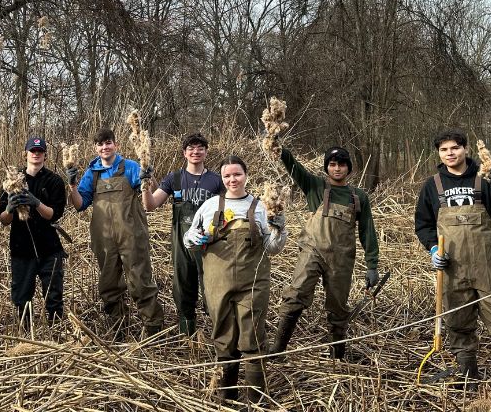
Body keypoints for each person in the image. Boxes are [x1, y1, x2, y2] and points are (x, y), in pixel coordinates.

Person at [415, 128, 491, 391]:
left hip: (490, 267)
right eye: (444, 149)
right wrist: (433, 249)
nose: (450, 153)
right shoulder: (432, 186)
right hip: (452, 270)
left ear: (465, 149)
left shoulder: (485, 179)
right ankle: (467, 376)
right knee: (458, 325)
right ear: (438, 153)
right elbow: (423, 225)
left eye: (455, 148)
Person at [183, 155, 287, 403]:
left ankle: (256, 401)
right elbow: (188, 237)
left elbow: (272, 248)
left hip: (253, 284)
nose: (232, 179)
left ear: (246, 176)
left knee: (252, 339)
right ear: (222, 178)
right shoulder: (209, 207)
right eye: (227, 175)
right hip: (217, 285)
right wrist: (194, 240)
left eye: (237, 174)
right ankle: (226, 400)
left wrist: (279, 227)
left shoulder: (261, 207)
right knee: (224, 339)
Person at [269, 146, 380, 361]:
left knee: (338, 307)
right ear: (326, 167)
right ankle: (278, 349)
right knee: (296, 294)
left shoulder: (359, 197)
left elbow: (368, 231)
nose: (337, 168)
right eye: (332, 164)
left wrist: (372, 265)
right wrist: (278, 146)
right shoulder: (316, 186)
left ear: (349, 168)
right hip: (313, 252)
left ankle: (337, 356)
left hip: (341, 258)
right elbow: (293, 166)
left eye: (342, 164)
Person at [67, 127, 164, 338]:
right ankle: (118, 326)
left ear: (116, 145)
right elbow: (80, 204)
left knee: (140, 280)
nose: (105, 147)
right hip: (104, 239)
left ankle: (153, 328)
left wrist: (149, 176)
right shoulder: (91, 173)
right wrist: (72, 185)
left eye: (108, 142)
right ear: (95, 148)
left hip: (132, 234)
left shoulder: (130, 166)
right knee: (109, 282)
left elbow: (154, 194)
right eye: (100, 144)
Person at [141, 132, 224, 335]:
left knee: (214, 291)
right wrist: (145, 185)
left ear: (206, 152)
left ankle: (220, 338)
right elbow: (150, 205)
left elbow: (227, 212)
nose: (196, 152)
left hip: (210, 246)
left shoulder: (216, 180)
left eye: (200, 148)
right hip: (181, 244)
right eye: (191, 148)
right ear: (184, 153)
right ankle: (187, 337)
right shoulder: (174, 178)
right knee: (183, 291)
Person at [0, 136, 67, 326]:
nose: (36, 154)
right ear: (25, 154)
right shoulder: (12, 182)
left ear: (45, 155)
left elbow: (54, 214)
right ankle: (25, 336)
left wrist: (36, 202)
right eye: (32, 151)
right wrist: (10, 208)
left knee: (53, 298)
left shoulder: (55, 181)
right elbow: (3, 220)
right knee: (21, 299)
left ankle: (56, 333)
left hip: (49, 249)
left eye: (40, 151)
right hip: (21, 250)